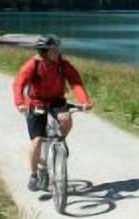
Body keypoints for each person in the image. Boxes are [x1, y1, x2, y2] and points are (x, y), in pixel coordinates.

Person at [13, 34, 92, 191]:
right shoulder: (33, 65)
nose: (58, 52)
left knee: (67, 119)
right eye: (53, 50)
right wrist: (20, 103)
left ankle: (60, 141)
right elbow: (18, 84)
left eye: (58, 49)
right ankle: (34, 175)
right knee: (37, 141)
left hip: (56, 101)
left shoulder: (63, 65)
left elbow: (75, 82)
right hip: (37, 101)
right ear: (44, 52)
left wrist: (84, 101)